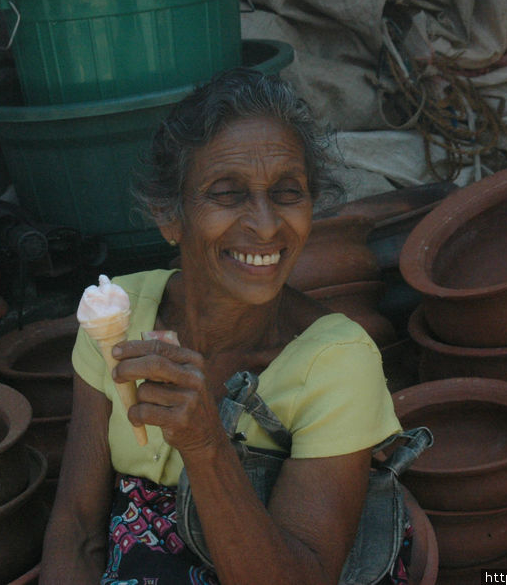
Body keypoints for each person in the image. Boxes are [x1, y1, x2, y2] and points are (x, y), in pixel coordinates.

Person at [39, 68, 404, 585]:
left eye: (287, 192)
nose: (266, 224)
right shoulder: (120, 315)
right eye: (228, 194)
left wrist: (206, 444)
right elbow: (77, 528)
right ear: (171, 217)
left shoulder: (336, 360)